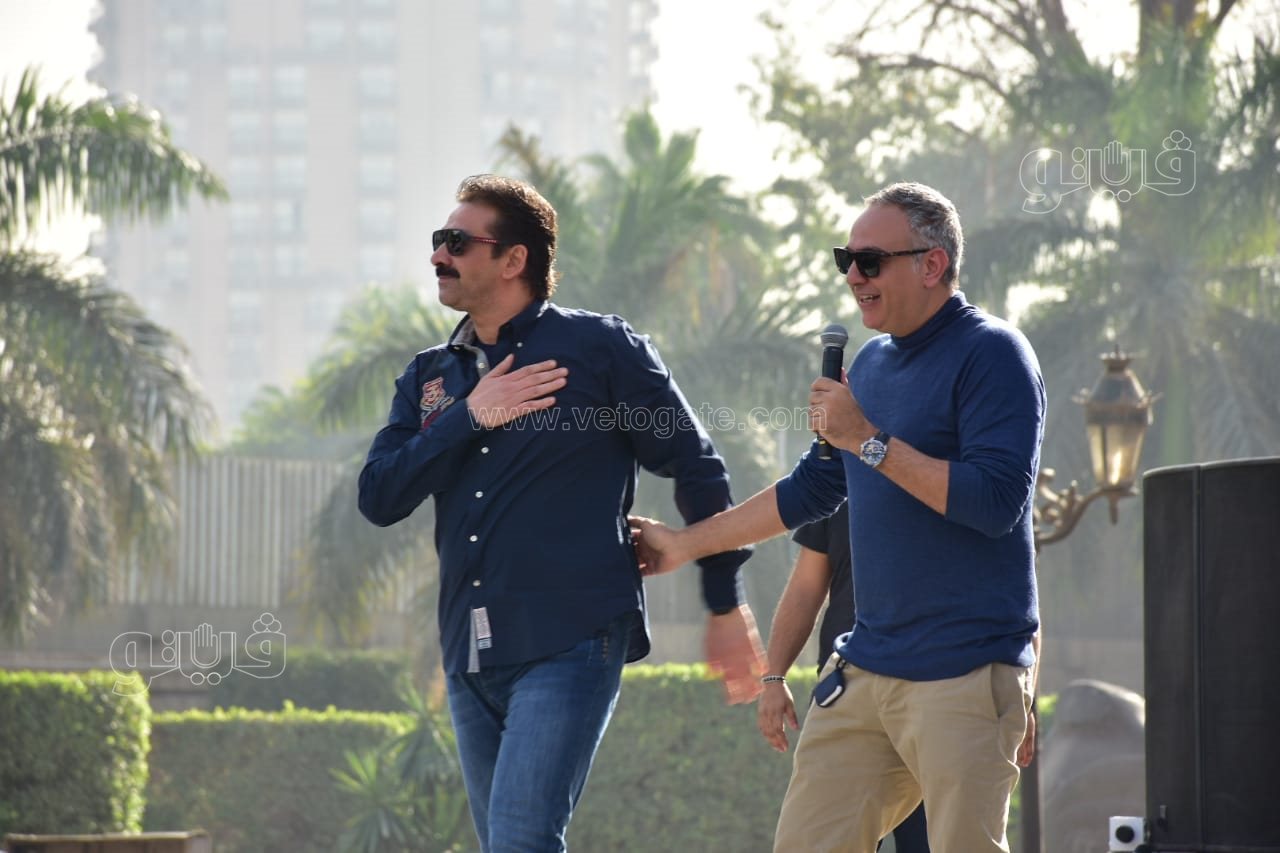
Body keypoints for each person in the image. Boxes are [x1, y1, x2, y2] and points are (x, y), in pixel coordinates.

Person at [357, 174, 765, 852]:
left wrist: (725, 603)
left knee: (520, 842)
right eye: (438, 240)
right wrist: (469, 415)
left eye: (457, 242)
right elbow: (378, 496)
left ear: (513, 259)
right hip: (468, 652)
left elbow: (697, 465)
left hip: (572, 638)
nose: (437, 255)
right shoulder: (430, 377)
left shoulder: (601, 349)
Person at [633, 181, 1043, 853]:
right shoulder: (871, 366)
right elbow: (809, 490)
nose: (853, 276)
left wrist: (867, 440)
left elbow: (996, 504)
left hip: (965, 674)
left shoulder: (995, 353)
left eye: (870, 260)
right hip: (865, 672)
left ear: (933, 264)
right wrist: (684, 544)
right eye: (845, 259)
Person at [758, 500, 930, 852]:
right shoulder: (839, 476)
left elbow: (1014, 589)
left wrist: (1024, 699)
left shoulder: (969, 472)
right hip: (848, 693)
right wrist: (774, 677)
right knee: (824, 840)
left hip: (943, 690)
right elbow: (806, 588)